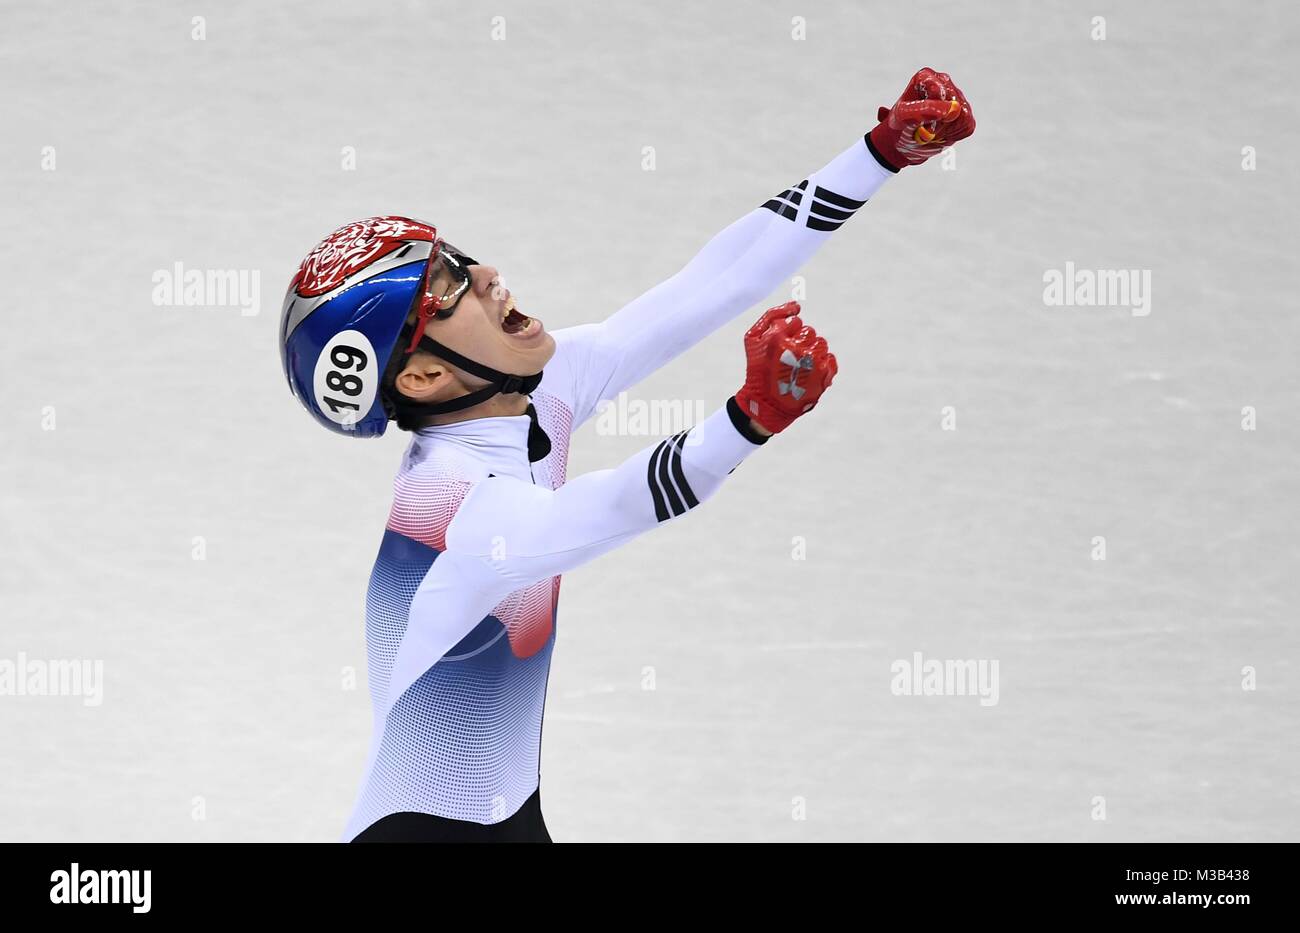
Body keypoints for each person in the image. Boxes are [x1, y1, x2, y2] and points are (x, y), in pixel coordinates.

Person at [278, 69, 976, 842]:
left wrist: (880, 152)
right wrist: (749, 416)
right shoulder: (450, 508)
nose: (486, 275)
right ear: (424, 376)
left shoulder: (535, 390)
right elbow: (612, 506)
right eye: (449, 287)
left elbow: (714, 282)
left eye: (457, 256)